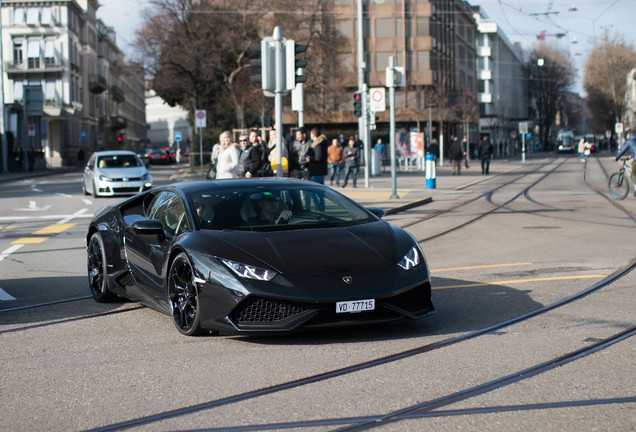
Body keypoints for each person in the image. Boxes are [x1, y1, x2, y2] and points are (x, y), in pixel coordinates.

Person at [615, 129, 636, 196]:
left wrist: (617, 157)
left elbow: (622, 151)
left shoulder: (629, 141)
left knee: (633, 173)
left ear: (629, 134)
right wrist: (632, 155)